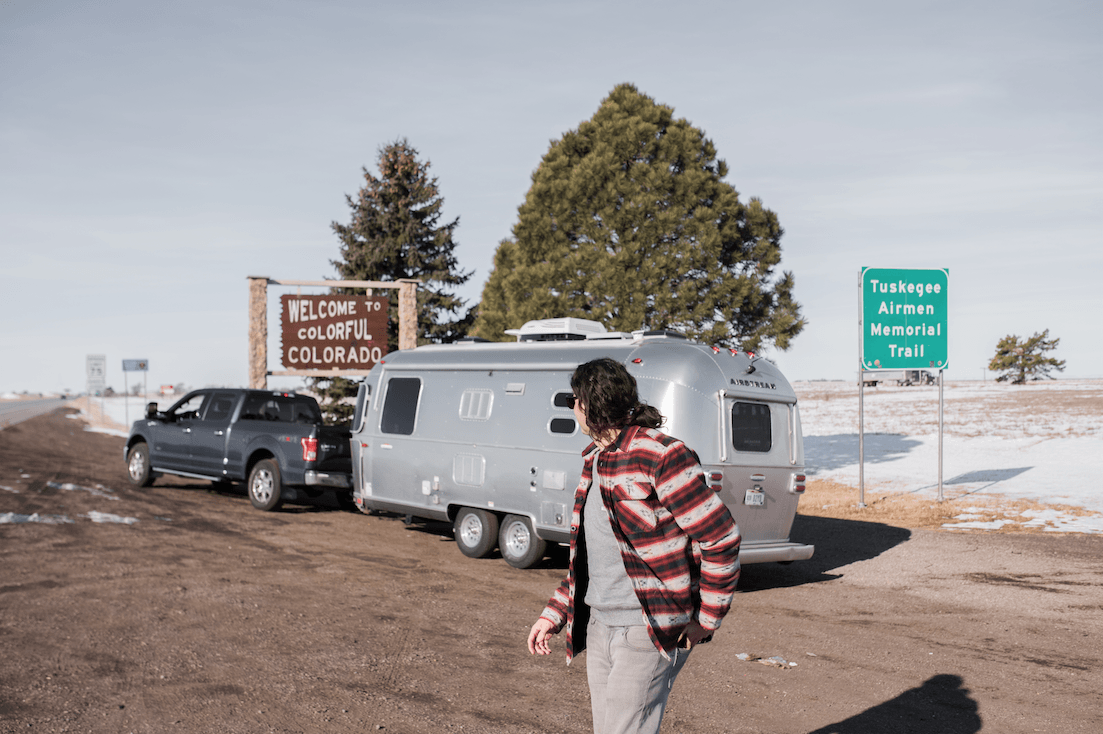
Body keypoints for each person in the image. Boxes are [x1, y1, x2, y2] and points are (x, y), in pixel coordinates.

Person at [527, 357, 742, 734]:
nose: (572, 408)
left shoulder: (662, 455)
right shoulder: (594, 462)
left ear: (589, 405)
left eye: (574, 400)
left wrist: (706, 620)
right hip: (599, 625)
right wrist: (554, 614)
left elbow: (720, 537)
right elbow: (590, 557)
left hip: (648, 626)